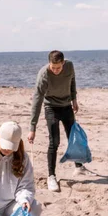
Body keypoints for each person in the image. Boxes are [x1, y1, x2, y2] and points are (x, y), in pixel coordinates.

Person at [28, 50, 85, 192]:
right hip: (51, 107)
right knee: (55, 141)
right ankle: (51, 176)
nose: (56, 71)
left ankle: (79, 166)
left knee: (73, 137)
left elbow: (72, 81)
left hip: (66, 106)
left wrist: (74, 99)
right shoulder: (44, 75)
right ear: (49, 63)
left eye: (58, 68)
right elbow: (37, 100)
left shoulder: (69, 66)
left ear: (63, 63)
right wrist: (32, 128)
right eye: (53, 68)